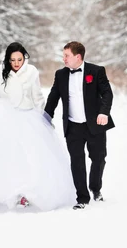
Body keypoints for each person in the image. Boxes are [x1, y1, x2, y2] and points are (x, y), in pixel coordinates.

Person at [0, 42, 75, 211]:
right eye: (12, 59)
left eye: (19, 59)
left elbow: (37, 96)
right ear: (8, 59)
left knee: (32, 156)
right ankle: (3, 192)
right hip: (5, 118)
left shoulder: (31, 72)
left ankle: (26, 193)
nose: (16, 63)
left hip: (28, 118)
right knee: (6, 156)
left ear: (24, 58)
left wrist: (44, 116)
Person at [44, 41, 115, 210]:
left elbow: (107, 93)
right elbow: (53, 97)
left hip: (95, 124)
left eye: (66, 56)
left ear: (78, 56)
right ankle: (82, 197)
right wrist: (46, 117)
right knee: (77, 162)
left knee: (98, 158)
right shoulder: (60, 75)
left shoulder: (96, 71)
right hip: (73, 126)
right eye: (63, 56)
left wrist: (103, 113)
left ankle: (95, 188)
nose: (64, 59)